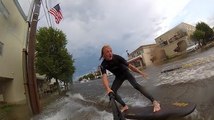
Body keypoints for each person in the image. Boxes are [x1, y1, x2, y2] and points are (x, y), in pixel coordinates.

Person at [99, 45, 161, 112]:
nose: (110, 53)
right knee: (112, 92)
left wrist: (141, 73)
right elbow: (104, 76)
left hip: (126, 73)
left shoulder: (117, 57)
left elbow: (130, 66)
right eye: (107, 52)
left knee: (135, 85)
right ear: (103, 54)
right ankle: (125, 106)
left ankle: (154, 102)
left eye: (111, 51)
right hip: (119, 77)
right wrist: (108, 89)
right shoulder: (103, 65)